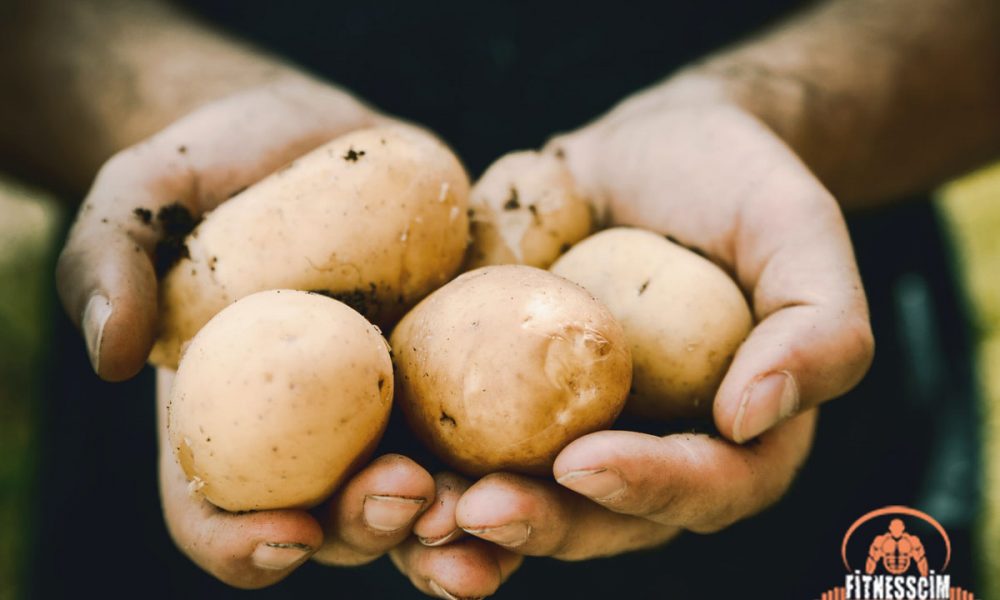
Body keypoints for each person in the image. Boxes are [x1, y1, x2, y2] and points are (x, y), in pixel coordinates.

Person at [2, 0, 995, 597]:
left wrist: (770, 112)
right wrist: (161, 119)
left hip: (786, 314)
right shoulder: (219, 308)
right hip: (164, 422)